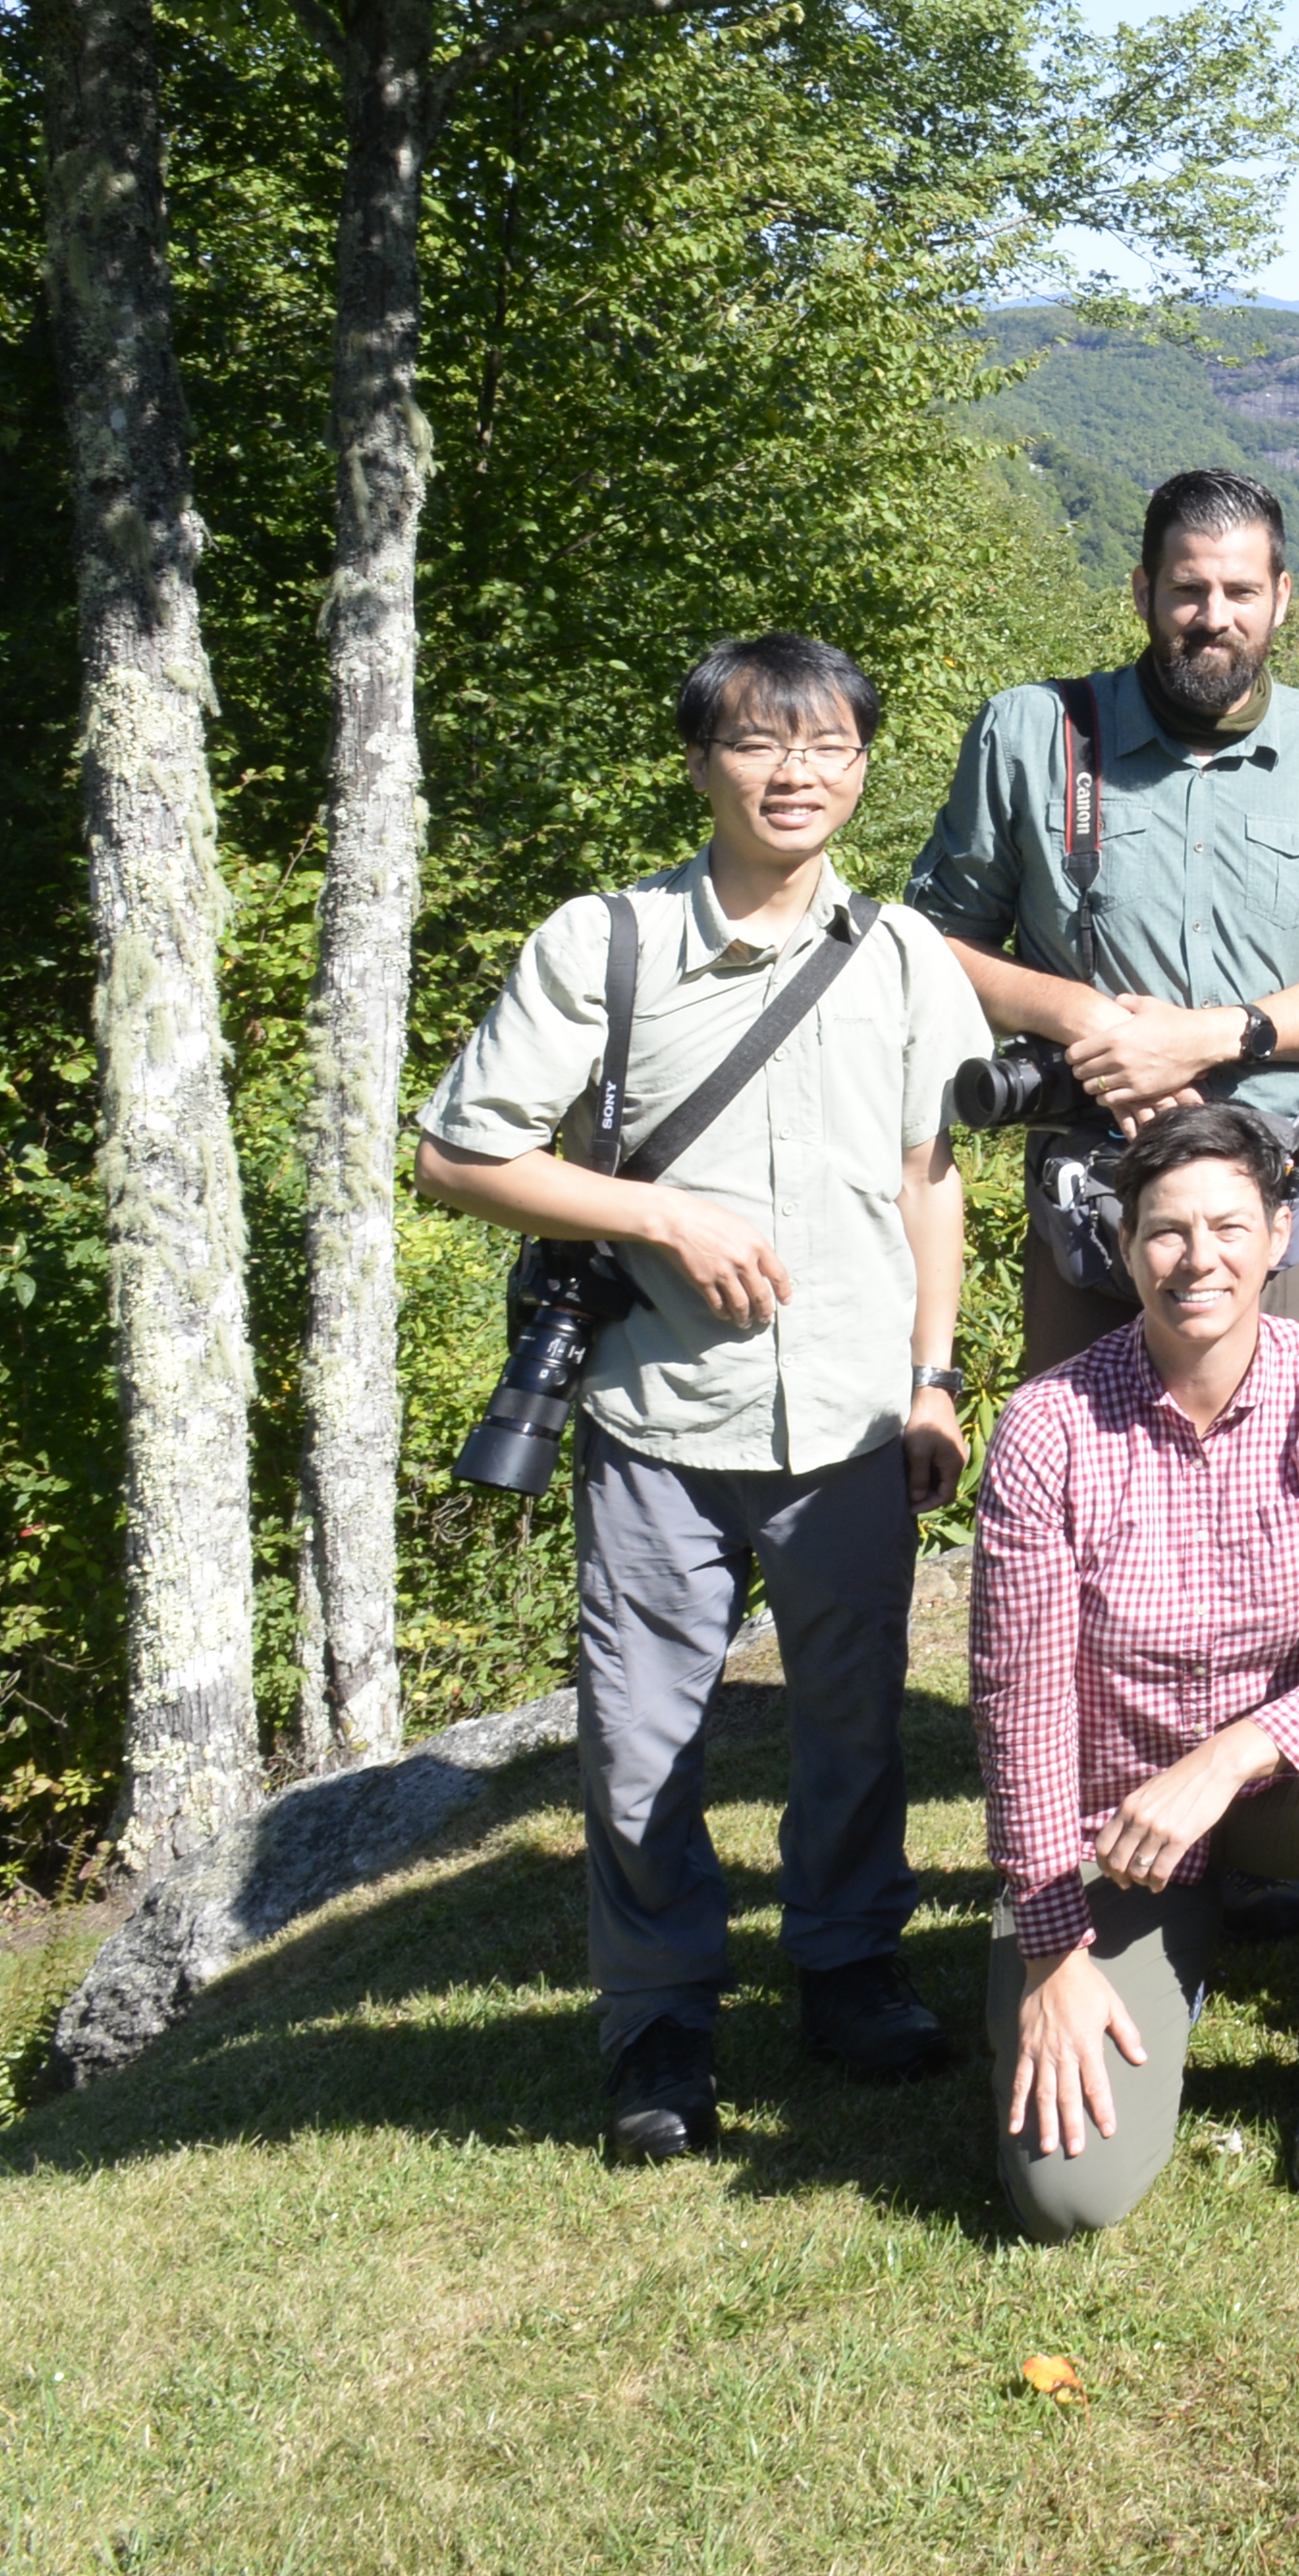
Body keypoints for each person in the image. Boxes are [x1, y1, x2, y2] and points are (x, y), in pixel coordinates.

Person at [414, 633, 985, 2165]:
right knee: (641, 1740)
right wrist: (662, 1219)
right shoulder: (602, 946)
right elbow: (458, 1157)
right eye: (758, 744)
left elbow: (932, 1185)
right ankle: (659, 2019)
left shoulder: (906, 958)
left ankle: (851, 1971)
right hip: (659, 1422)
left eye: (828, 748)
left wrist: (935, 1382)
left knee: (855, 1728)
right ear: (701, 762)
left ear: (864, 766)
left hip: (857, 1425)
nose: (796, 774)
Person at [973, 1100, 1299, 2234]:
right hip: (1116, 1827)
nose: (1197, 1258)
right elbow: (1021, 1705)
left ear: (1278, 1234)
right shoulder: (1047, 1426)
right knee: (1069, 2196)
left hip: (1277, 1788)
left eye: (1227, 1225)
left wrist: (1234, 1750)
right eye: (1164, 1230)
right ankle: (1160, 1954)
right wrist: (1053, 1947)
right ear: (1122, 1244)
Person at [911, 466, 1299, 1374]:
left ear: (1282, 598)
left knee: (1278, 1480)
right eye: (1187, 589)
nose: (1213, 615)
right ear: (1144, 590)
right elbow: (934, 941)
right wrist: (1088, 1022)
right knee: (1087, 1476)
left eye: (1240, 591)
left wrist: (1212, 1037)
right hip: (1093, 1191)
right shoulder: (1033, 736)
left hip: (1279, 1192)